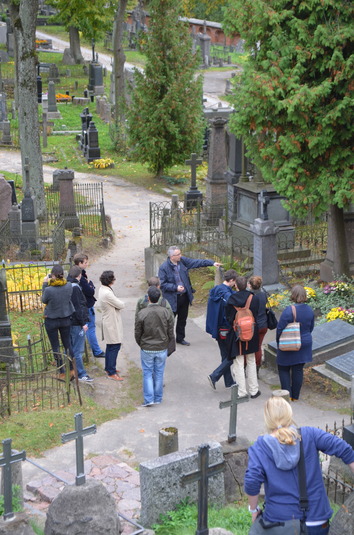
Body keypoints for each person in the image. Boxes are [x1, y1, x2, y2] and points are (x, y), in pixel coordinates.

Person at [245, 396, 354, 535]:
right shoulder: (310, 434)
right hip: (316, 519)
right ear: (289, 414)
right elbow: (345, 450)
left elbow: (251, 481)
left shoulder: (260, 447)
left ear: (267, 419)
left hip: (279, 523)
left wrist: (254, 510)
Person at [158, 246, 221, 346]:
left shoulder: (182, 261)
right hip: (172, 298)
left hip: (184, 297)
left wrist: (211, 263)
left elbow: (196, 262)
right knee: (169, 320)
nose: (180, 256)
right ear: (171, 256)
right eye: (178, 254)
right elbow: (163, 284)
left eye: (180, 253)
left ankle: (180, 338)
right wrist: (175, 288)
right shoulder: (164, 268)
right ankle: (166, 340)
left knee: (182, 319)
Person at [135, 286, 174, 406]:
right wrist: (166, 343)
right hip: (161, 347)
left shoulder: (142, 313)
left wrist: (141, 343)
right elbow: (170, 331)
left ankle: (149, 399)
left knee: (147, 373)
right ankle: (158, 398)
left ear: (148, 298)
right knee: (159, 373)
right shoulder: (166, 312)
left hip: (147, 347)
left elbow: (137, 332)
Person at [276, 285, 314, 401]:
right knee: (298, 369)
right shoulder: (309, 310)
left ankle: (286, 396)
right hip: (304, 343)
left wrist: (279, 342)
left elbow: (280, 329)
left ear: (293, 295)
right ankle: (295, 396)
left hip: (289, 343)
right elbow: (311, 327)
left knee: (283, 368)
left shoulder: (289, 310)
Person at [225, 275, 260, 399]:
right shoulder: (254, 298)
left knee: (238, 363)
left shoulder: (231, 299)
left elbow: (228, 318)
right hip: (251, 333)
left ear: (236, 286)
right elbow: (256, 314)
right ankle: (254, 390)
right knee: (251, 361)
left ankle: (241, 392)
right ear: (247, 285)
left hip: (237, 335)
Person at [206, 269, 238, 390]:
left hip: (216, 327)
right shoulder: (226, 294)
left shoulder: (216, 290)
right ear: (231, 280)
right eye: (234, 282)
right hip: (225, 328)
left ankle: (229, 382)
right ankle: (215, 375)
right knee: (233, 355)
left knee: (225, 355)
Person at [42, 265, 75, 377]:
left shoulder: (48, 289)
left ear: (53, 275)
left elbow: (44, 300)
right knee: (67, 344)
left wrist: (45, 283)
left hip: (51, 320)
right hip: (65, 319)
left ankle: (61, 371)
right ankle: (71, 368)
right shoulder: (69, 286)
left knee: (55, 346)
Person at [73, 253, 105, 358]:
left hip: (85, 304)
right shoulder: (81, 277)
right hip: (87, 305)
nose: (87, 264)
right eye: (85, 262)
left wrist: (89, 283)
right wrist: (90, 283)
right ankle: (96, 351)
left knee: (89, 328)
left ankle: (93, 349)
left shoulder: (78, 274)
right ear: (79, 263)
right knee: (91, 328)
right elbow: (90, 291)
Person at [97, 270, 125, 381]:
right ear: (110, 280)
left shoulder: (103, 289)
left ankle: (109, 367)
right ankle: (111, 372)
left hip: (109, 320)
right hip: (111, 322)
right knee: (115, 345)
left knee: (110, 345)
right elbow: (120, 304)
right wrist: (121, 303)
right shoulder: (107, 293)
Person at [67, 265, 93, 383]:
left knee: (70, 348)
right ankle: (81, 374)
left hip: (69, 321)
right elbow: (78, 307)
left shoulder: (66, 285)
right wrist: (83, 323)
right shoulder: (75, 288)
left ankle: (70, 370)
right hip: (77, 323)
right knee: (78, 350)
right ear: (79, 275)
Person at [248, 276, 268, 376]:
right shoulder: (263, 295)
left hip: (254, 326)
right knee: (258, 347)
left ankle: (248, 368)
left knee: (249, 347)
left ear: (250, 286)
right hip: (264, 324)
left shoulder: (250, 297)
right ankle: (257, 367)